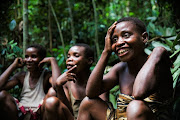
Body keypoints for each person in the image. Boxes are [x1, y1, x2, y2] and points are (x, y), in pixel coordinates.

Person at [77, 17, 173, 120]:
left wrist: (157, 52)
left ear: (144, 37)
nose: (119, 43)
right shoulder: (120, 69)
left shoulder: (157, 64)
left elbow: (138, 93)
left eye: (126, 35)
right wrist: (106, 52)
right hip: (121, 117)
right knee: (88, 103)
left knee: (135, 107)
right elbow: (91, 92)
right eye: (115, 39)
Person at [45, 43, 109, 120]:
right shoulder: (67, 83)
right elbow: (68, 112)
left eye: (76, 55)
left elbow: (104, 112)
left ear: (89, 61)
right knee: (51, 101)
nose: (69, 59)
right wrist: (58, 85)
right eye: (68, 56)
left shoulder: (98, 82)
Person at [0, 44, 61, 120]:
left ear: (42, 59)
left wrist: (53, 61)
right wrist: (13, 65)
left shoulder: (46, 76)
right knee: (2, 94)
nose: (29, 60)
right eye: (26, 57)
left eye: (34, 56)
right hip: (22, 113)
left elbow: (57, 85)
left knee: (52, 92)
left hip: (40, 113)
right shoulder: (22, 76)